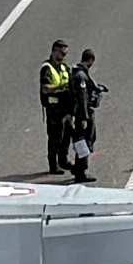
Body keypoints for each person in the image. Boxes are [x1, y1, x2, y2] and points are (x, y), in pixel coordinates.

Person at [66, 48, 105, 182]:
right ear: (90, 60)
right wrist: (84, 117)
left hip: (81, 113)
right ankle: (81, 171)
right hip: (84, 114)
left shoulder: (78, 73)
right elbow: (82, 98)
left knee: (83, 141)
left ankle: (79, 169)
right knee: (84, 141)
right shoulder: (81, 76)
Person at [37, 38, 76, 173]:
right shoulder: (47, 68)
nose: (63, 56)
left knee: (67, 134)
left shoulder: (65, 67)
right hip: (53, 108)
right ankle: (53, 165)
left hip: (65, 107)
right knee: (54, 137)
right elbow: (45, 88)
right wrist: (61, 87)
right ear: (54, 52)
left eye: (65, 54)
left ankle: (63, 160)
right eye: (61, 53)